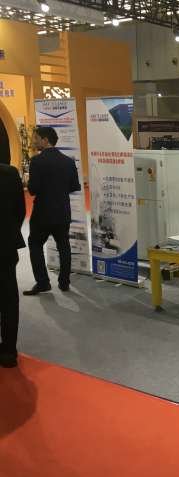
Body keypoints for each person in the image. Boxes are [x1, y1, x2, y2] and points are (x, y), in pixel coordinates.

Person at [24, 126, 81, 295]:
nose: (34, 142)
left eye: (36, 138)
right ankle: (64, 283)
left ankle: (43, 282)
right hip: (63, 211)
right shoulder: (68, 161)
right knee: (64, 246)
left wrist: (28, 183)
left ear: (45, 140)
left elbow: (32, 190)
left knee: (35, 244)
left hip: (42, 213)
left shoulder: (36, 161)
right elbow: (74, 186)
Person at [0, 160, 26, 367]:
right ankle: (9, 351)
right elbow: (20, 211)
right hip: (5, 245)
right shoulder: (10, 174)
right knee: (9, 299)